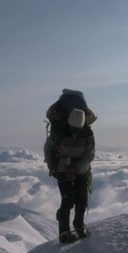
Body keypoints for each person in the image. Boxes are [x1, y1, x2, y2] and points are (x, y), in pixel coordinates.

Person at [44, 89, 97, 243]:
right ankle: (64, 232)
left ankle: (78, 224)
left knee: (81, 199)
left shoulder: (87, 133)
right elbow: (49, 149)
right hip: (63, 170)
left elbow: (90, 153)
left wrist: (78, 166)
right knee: (68, 201)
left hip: (79, 171)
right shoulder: (59, 132)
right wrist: (53, 167)